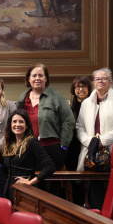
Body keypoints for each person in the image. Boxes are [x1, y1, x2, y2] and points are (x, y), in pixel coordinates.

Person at [75, 68, 113, 209]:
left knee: (110, 190)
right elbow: (79, 127)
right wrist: (90, 142)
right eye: (97, 79)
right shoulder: (86, 103)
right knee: (92, 189)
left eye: (104, 78)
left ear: (110, 82)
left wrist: (101, 141)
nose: (100, 81)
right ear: (93, 82)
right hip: (91, 153)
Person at [16, 64, 75, 194]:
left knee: (51, 187)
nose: (37, 78)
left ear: (46, 79)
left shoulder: (56, 96)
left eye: (41, 75)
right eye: (34, 75)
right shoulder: (23, 97)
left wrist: (63, 146)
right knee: (32, 186)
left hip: (51, 149)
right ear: (29, 79)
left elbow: (68, 121)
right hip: (28, 149)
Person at [0, 110, 56, 201]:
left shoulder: (32, 143)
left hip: (25, 192)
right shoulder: (9, 144)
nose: (17, 124)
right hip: (9, 191)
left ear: (26, 126)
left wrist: (30, 182)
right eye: (14, 121)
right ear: (10, 125)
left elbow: (50, 166)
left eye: (21, 121)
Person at [66, 75, 92, 203]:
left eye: (83, 86)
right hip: (72, 147)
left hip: (88, 145)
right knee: (74, 177)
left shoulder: (94, 105)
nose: (80, 89)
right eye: (77, 86)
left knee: (87, 179)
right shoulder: (69, 106)